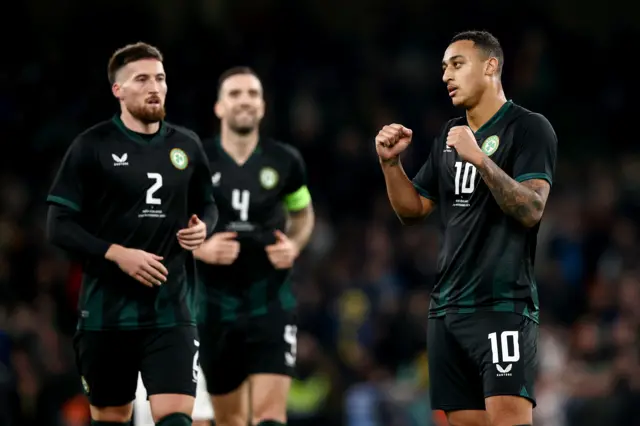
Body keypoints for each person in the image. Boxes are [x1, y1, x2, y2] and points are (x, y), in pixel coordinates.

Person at [375, 31, 557, 426]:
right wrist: (391, 165)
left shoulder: (529, 129)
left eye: (457, 64)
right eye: (443, 68)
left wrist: (480, 160)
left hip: (502, 307)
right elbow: (413, 210)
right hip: (447, 309)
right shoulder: (448, 135)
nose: (446, 76)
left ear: (490, 66)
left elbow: (531, 208)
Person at [46, 42, 218, 426]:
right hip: (107, 317)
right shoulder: (91, 146)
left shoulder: (186, 145)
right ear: (118, 90)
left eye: (160, 78)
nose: (154, 86)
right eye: (141, 79)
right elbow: (58, 225)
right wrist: (116, 253)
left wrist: (204, 227)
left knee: (177, 420)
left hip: (171, 312)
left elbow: (208, 204)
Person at [194, 66, 315, 426]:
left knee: (269, 417)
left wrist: (293, 246)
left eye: (252, 94)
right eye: (234, 94)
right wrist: (200, 249)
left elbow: (303, 214)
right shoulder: (197, 158)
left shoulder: (285, 161)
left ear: (262, 106)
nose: (244, 101)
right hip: (214, 304)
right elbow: (169, 221)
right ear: (219, 107)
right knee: (231, 420)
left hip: (271, 301)